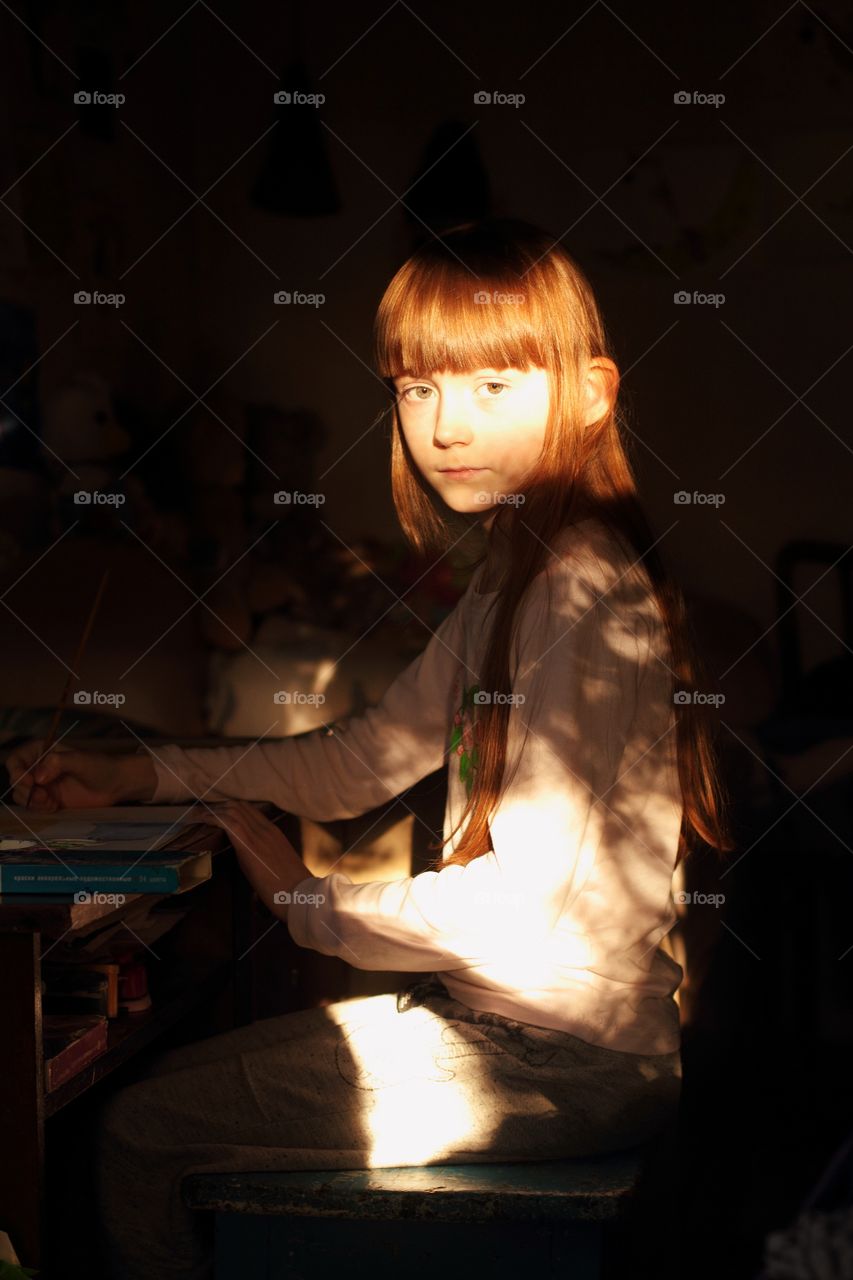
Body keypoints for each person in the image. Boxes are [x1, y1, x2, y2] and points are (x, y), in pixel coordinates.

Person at [6, 217, 734, 1280]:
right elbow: (356, 759)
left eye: (493, 386)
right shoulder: (511, 574)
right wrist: (146, 768)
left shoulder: (576, 587)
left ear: (589, 392)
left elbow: (514, 907)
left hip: (564, 1062)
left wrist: (313, 903)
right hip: (506, 1029)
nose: (445, 425)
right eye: (418, 388)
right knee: (150, 1088)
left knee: (135, 1132)